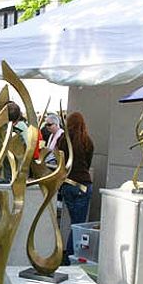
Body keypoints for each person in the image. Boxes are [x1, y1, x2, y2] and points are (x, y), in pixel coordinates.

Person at [57, 111, 94, 263]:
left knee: (75, 223)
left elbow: (60, 162)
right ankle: (70, 257)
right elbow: (88, 163)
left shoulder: (62, 140)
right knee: (78, 225)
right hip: (83, 185)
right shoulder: (87, 141)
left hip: (67, 185)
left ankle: (68, 255)